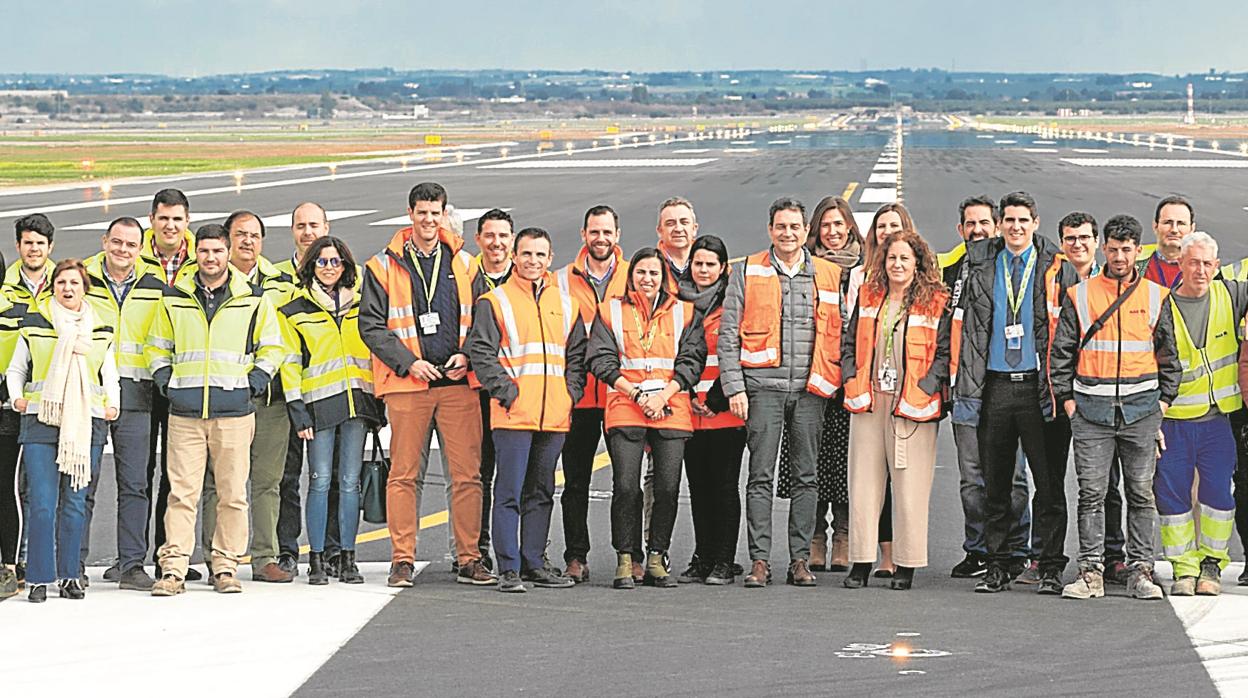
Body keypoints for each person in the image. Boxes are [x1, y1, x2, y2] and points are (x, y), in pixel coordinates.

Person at [359, 181, 494, 588]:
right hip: (409, 384)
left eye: (435, 213)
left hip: (456, 384)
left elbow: (485, 320)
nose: (429, 220)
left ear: (444, 214)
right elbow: (371, 325)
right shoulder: (380, 266)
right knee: (403, 475)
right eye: (422, 212)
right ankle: (402, 558)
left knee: (467, 475)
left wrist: (468, 354)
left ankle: (468, 557)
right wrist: (408, 363)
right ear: (410, 213)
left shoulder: (467, 265)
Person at [145, 223, 285, 596]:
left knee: (232, 494)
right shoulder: (174, 298)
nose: (210, 258)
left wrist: (251, 385)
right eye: (204, 251)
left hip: (235, 413)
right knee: (181, 494)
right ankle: (173, 569)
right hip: (185, 412)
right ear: (197, 254)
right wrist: (167, 383)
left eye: (217, 251)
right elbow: (156, 348)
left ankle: (225, 567)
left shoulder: (254, 299)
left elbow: (273, 348)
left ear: (227, 254)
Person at [954, 191, 1079, 595]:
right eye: (1008, 219)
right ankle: (998, 563)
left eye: (1023, 220)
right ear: (1000, 223)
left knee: (1048, 483)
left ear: (1036, 222)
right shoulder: (982, 264)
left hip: (1039, 388)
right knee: (996, 483)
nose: (1015, 227)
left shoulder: (1057, 268)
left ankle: (1049, 564)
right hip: (995, 387)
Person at [1051, 214, 1179, 600]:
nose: (1120, 256)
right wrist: (1070, 404)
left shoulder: (1156, 296)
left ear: (1139, 251)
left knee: (1141, 494)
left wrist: (1161, 405)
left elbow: (1170, 359)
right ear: (1103, 249)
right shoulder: (1082, 295)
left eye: (1127, 249)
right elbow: (1061, 355)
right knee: (1091, 494)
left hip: (1140, 414)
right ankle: (1091, 571)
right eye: (1113, 248)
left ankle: (1141, 571)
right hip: (1091, 413)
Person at [718, 197, 843, 588]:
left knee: (807, 477)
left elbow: (839, 333)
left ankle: (800, 559)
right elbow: (727, 336)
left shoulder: (827, 274)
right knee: (760, 477)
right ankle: (759, 560)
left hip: (810, 390)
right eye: (781, 227)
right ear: (770, 230)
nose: (787, 234)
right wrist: (734, 387)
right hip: (763, 389)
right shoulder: (747, 271)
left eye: (795, 227)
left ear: (805, 232)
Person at [468, 227, 587, 592]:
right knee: (509, 491)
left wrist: (570, 393)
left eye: (540, 255)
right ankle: (509, 568)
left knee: (541, 491)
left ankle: (534, 562)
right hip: (514, 414)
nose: (533, 261)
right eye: (526, 254)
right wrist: (507, 392)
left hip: (554, 414)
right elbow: (481, 352)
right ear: (515, 257)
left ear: (550, 259)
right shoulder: (495, 301)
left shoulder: (566, 304)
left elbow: (577, 356)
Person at [589, 247, 705, 589]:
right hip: (627, 405)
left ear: (664, 278)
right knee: (626, 487)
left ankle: (657, 557)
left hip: (670, 407)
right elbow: (601, 359)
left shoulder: (684, 312)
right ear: (631, 276)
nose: (647, 279)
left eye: (654, 273)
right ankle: (626, 558)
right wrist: (639, 395)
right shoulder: (610, 311)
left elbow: (692, 360)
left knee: (667, 488)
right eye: (641, 272)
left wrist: (663, 396)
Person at [842, 230, 951, 590]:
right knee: (863, 485)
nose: (897, 265)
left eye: (905, 258)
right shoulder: (870, 295)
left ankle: (907, 564)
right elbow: (849, 340)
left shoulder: (936, 300)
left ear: (918, 262)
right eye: (891, 258)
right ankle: (860, 561)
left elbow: (946, 352)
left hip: (913, 406)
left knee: (910, 488)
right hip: (870, 399)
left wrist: (926, 387)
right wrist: (849, 376)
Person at [7, 259, 120, 602]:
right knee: (42, 502)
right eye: (61, 283)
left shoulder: (100, 331)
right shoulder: (35, 326)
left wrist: (112, 404)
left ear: (84, 288)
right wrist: (16, 399)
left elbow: (110, 375)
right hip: (42, 421)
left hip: (86, 425)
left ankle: (70, 574)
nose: (67, 289)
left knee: (75, 502)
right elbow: (17, 369)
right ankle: (40, 577)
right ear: (53, 287)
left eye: (74, 283)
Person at [199, 211, 297, 583]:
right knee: (219, 482)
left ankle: (264, 556)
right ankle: (215, 555)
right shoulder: (209, 283)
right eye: (240, 235)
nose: (247, 242)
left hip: (269, 397)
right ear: (226, 241)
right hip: (224, 399)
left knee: (268, 480)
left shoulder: (280, 282)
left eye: (254, 236)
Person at [281, 236, 381, 585]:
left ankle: (348, 558)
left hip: (357, 405)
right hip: (318, 406)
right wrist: (297, 409)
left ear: (346, 266)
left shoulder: (363, 306)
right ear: (311, 266)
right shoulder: (295, 311)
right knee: (320, 481)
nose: (329, 268)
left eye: (335, 262)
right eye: (322, 262)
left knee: (350, 482)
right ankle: (318, 558)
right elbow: (290, 364)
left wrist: (377, 402)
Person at [1151, 233, 1247, 596]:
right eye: (1194, 262)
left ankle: (1211, 563)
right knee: (1172, 497)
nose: (1201, 270)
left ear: (1217, 267)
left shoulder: (1233, 294)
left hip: (1218, 421)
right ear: (1181, 263)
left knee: (1219, 497)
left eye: (1208, 264)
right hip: (1174, 420)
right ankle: (1183, 567)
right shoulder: (1163, 306)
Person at [943, 196, 1032, 579]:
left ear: (996, 226)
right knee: (971, 478)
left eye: (984, 223)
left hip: (1000, 386)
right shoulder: (950, 272)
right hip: (964, 388)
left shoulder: (1006, 266)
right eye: (970, 224)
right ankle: (978, 548)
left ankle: (1017, 548)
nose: (977, 230)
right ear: (960, 230)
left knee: (1011, 475)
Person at [774, 196, 860, 574]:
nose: (833, 231)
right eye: (826, 225)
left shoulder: (863, 266)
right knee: (808, 458)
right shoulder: (805, 267)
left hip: (846, 378)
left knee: (843, 459)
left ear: (850, 228)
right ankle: (814, 538)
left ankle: (842, 533)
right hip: (807, 376)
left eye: (839, 224)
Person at [79, 217, 165, 591]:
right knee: (84, 481)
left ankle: (131, 564)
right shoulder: (82, 280)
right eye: (116, 242)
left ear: (140, 248)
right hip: (91, 396)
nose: (123, 250)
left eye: (131, 245)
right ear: (105, 241)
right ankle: (74, 561)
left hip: (137, 395)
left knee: (135, 483)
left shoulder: (155, 287)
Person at [556, 205, 629, 583]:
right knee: (576, 482)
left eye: (607, 231)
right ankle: (576, 555)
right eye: (594, 232)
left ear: (618, 235)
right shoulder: (561, 280)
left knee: (626, 482)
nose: (601, 238)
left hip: (622, 394)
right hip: (581, 395)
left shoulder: (636, 274)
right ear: (583, 235)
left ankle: (628, 554)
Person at [678, 235, 747, 585]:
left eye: (710, 264)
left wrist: (716, 398)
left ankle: (724, 559)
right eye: (698, 263)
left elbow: (739, 354)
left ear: (724, 269)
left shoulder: (734, 304)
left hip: (725, 411)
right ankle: (702, 556)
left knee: (723, 486)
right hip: (689, 410)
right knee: (698, 487)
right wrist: (688, 393)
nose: (703, 270)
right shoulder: (679, 304)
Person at [275, 201, 338, 577]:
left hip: (327, 395)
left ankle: (330, 546)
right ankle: (287, 549)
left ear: (326, 226)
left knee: (327, 477)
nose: (308, 232)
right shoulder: (275, 278)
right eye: (301, 225)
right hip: (287, 394)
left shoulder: (347, 276)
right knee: (287, 476)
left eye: (315, 224)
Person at [142, 188, 202, 581]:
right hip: (141, 379)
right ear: (152, 220)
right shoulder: (133, 255)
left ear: (187, 222)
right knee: (138, 473)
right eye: (164, 218)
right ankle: (130, 556)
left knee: (176, 474)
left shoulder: (205, 258)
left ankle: (169, 554)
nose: (170, 226)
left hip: (186, 381)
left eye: (178, 219)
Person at [0, 213, 47, 588]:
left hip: (50, 401)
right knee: (12, 485)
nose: (33, 248)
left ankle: (35, 559)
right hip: (12, 401)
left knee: (43, 488)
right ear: (18, 246)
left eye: (40, 243)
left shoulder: (64, 286)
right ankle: (14, 563)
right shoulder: (4, 289)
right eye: (27, 242)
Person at [1136, 195, 1193, 289]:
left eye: (1181, 223)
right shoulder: (1130, 262)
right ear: (1155, 226)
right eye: (1168, 222)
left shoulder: (1207, 272)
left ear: (1192, 229)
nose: (1174, 229)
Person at [656, 197, 698, 291]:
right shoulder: (648, 268)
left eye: (684, 222)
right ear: (659, 231)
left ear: (694, 229)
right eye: (670, 223)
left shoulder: (714, 263)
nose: (678, 229)